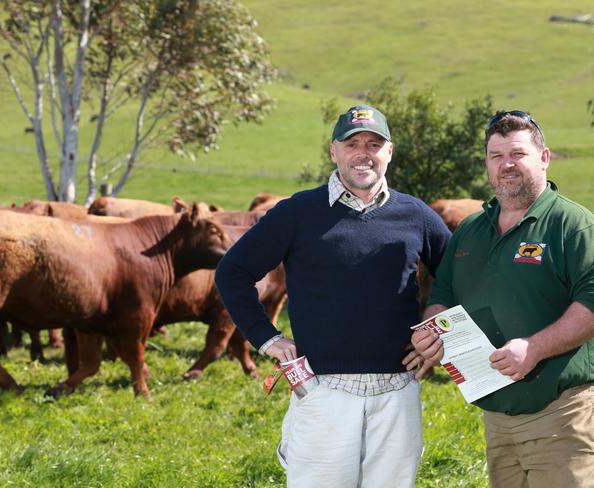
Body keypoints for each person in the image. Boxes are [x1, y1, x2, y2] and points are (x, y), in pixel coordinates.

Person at [215, 105, 451, 487]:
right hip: (324, 391)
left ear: (388, 152)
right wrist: (267, 338)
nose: (364, 152)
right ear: (333, 151)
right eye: (352, 143)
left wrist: (439, 331)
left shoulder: (416, 215)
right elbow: (232, 272)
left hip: (398, 391)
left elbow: (459, 276)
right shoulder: (297, 212)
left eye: (374, 144)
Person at [406, 110, 594, 487]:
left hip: (561, 415)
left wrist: (535, 348)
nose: (507, 164)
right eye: (496, 156)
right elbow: (443, 292)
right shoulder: (471, 229)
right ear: (487, 165)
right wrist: (433, 328)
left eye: (518, 154)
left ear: (544, 158)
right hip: (496, 419)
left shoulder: (572, 224)